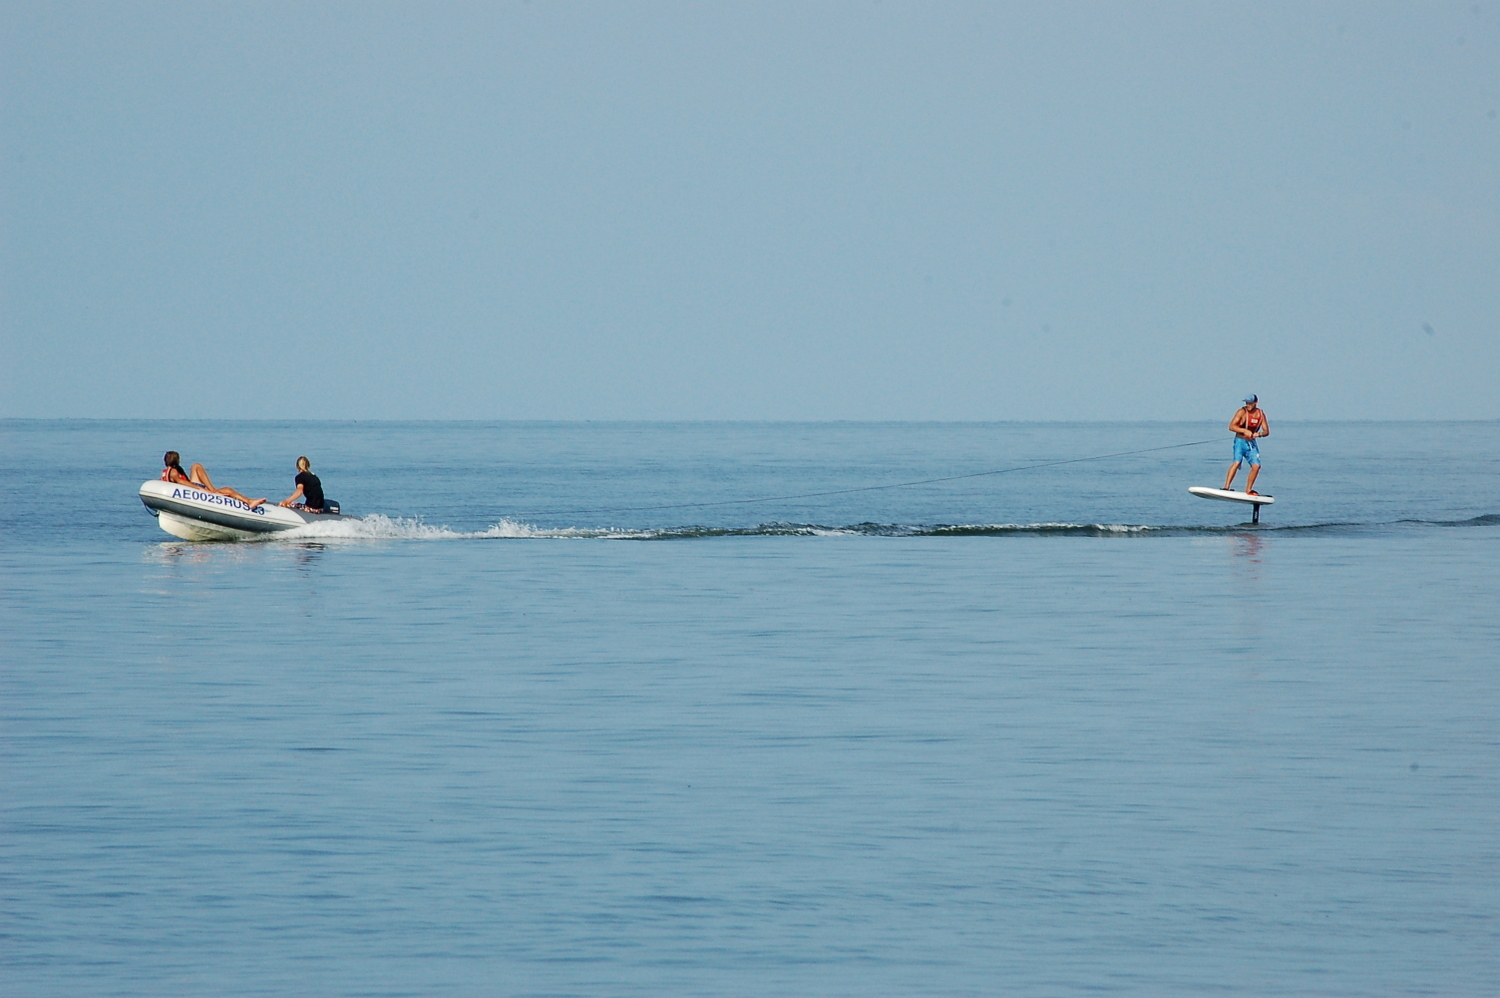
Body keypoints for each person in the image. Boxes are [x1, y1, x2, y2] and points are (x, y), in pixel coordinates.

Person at [160, 451, 265, 508]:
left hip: (190, 492)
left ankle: (214, 490)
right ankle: (248, 501)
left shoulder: (165, 473)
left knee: (196, 466)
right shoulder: (174, 472)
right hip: (193, 492)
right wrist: (203, 490)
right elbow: (183, 483)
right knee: (227, 490)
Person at [1222, 394, 1270, 494]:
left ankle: (1248, 490)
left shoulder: (1261, 414)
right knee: (1237, 462)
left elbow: (1266, 431)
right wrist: (1244, 431)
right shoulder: (1242, 412)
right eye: (1246, 403)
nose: (1248, 405)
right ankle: (1226, 487)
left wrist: (1259, 434)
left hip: (1251, 443)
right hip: (1240, 441)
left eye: (1250, 403)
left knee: (1256, 466)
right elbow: (1231, 426)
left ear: (1255, 403)